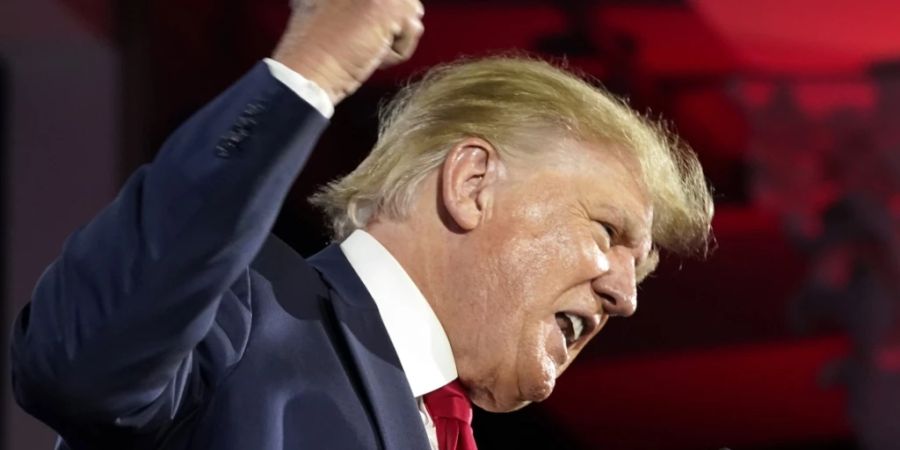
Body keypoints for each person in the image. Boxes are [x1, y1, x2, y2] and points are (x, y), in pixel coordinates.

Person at [9, 0, 713, 449]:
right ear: (472, 184)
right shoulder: (244, 319)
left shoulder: (440, 427)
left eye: (639, 267)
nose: (626, 295)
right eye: (607, 232)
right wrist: (308, 69)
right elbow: (75, 364)